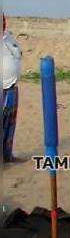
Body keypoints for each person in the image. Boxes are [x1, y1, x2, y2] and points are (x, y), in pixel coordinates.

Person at [2, 14, 22, 163]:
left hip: (12, 88)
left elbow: (18, 53)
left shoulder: (9, 38)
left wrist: (6, 40)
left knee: (10, 124)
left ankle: (8, 156)